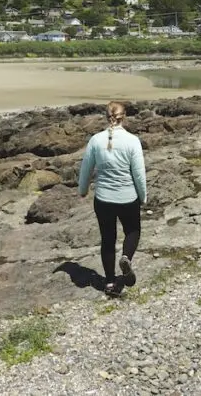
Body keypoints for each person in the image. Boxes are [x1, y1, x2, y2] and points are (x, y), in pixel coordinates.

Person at [77, 101, 147, 297]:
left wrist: (83, 190)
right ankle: (126, 257)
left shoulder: (95, 140)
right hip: (127, 197)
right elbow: (139, 174)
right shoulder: (132, 140)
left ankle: (108, 283)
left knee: (108, 239)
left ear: (106, 116)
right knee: (133, 230)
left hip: (103, 199)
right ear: (124, 117)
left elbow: (86, 169)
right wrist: (143, 196)